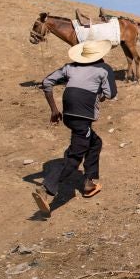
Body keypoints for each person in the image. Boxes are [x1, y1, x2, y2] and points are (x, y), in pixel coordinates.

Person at [32, 39, 117, 216]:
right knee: (74, 156)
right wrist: (97, 94)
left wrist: (54, 110)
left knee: (95, 143)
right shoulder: (104, 69)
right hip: (82, 117)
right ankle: (46, 189)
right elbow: (111, 94)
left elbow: (46, 82)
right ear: (101, 55)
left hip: (69, 116)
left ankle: (89, 183)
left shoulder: (69, 68)